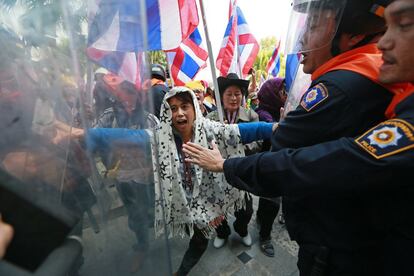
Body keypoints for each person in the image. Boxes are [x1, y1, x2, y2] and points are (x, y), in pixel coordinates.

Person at [183, 0, 414, 275]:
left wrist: (226, 164)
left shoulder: (340, 88)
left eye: (314, 26)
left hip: (334, 249)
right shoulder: (377, 80)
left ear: (353, 34)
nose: (303, 38)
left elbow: (295, 158)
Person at [67, 86, 275, 276]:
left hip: (217, 196)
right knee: (200, 240)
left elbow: (245, 131)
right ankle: (182, 272)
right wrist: (89, 134)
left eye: (184, 106)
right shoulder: (161, 137)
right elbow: (129, 136)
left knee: (241, 213)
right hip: (189, 202)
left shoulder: (212, 129)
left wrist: (274, 128)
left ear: (194, 108)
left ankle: (236, 231)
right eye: (173, 108)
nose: (179, 113)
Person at [207, 73, 265, 250]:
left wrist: (235, 143)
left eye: (237, 93)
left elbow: (259, 142)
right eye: (229, 94)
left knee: (245, 210)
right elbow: (204, 142)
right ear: (221, 96)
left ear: (242, 96)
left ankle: (241, 230)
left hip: (242, 171)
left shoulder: (251, 116)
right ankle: (222, 233)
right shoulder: (211, 118)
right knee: (217, 207)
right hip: (217, 173)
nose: (233, 98)